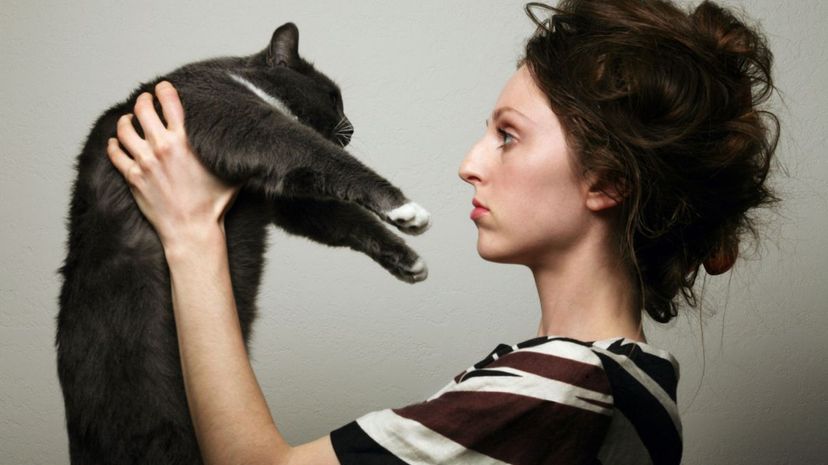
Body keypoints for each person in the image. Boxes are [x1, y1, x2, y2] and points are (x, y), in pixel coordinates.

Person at [105, 0, 779, 463]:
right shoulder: (641, 382)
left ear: (605, 181)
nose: (469, 164)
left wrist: (192, 234)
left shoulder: (564, 385)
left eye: (508, 137)